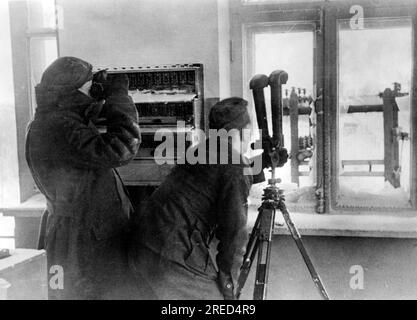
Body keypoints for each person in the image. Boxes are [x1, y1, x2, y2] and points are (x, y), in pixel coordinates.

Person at [25, 56, 141, 299]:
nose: (92, 94)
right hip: (81, 239)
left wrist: (96, 95)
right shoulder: (60, 127)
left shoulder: (52, 121)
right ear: (71, 94)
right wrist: (118, 97)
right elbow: (122, 147)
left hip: (76, 231)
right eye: (89, 89)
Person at [129, 97, 266, 300]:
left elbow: (215, 179)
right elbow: (234, 235)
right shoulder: (236, 166)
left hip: (141, 243)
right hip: (170, 253)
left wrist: (262, 163)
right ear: (240, 133)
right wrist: (229, 286)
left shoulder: (199, 150)